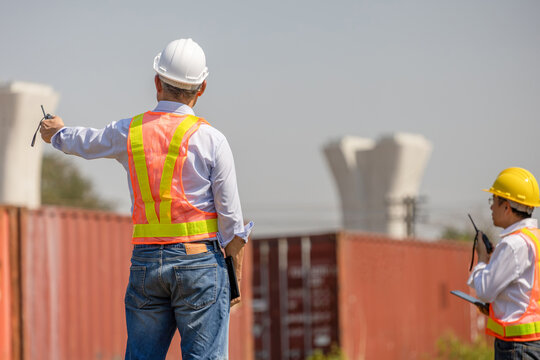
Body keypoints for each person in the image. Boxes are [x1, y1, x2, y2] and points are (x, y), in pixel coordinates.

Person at [40, 37, 253, 360]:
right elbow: (232, 222)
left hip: (146, 264)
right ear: (202, 88)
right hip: (199, 264)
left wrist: (56, 133)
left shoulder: (130, 132)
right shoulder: (212, 140)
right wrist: (232, 276)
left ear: (157, 81)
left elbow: (86, 142)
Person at [468, 167, 540, 359]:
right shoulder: (535, 239)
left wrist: (482, 259)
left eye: (494, 200)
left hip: (518, 347)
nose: (491, 207)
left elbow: (485, 291)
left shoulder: (513, 244)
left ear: (506, 207)